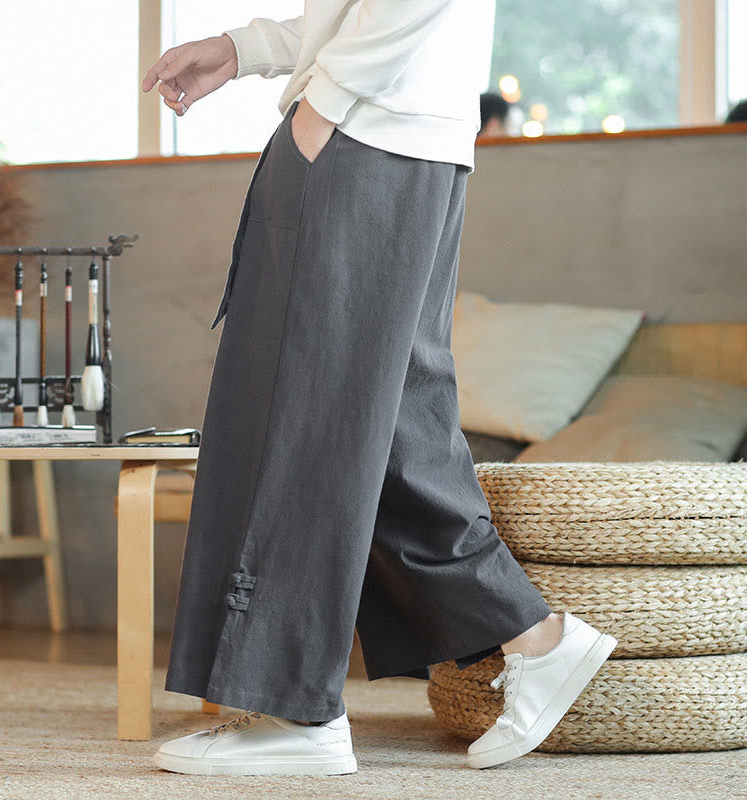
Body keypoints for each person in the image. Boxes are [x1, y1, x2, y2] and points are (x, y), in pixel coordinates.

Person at [141, 0, 617, 777]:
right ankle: (535, 638)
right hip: (400, 138)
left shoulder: (348, 113)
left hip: (364, 134)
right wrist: (242, 48)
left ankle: (298, 709)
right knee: (390, 420)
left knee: (302, 418)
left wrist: (323, 108)